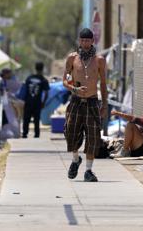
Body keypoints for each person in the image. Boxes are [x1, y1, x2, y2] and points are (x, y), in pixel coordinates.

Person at [63, 28, 108, 182]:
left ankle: (88, 171)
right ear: (79, 41)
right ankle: (76, 160)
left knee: (93, 136)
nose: (85, 43)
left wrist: (104, 105)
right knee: (70, 132)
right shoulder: (72, 59)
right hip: (76, 101)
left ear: (92, 41)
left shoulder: (99, 60)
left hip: (92, 101)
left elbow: (103, 84)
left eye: (87, 40)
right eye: (82, 40)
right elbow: (65, 80)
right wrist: (74, 88)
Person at [22, 62, 50, 138]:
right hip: (37, 103)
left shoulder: (29, 78)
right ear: (42, 68)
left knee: (26, 118)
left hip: (28, 101)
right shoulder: (43, 80)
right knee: (36, 119)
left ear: (35, 68)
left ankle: (24, 133)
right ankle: (36, 134)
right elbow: (46, 93)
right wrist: (43, 102)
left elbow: (24, 89)